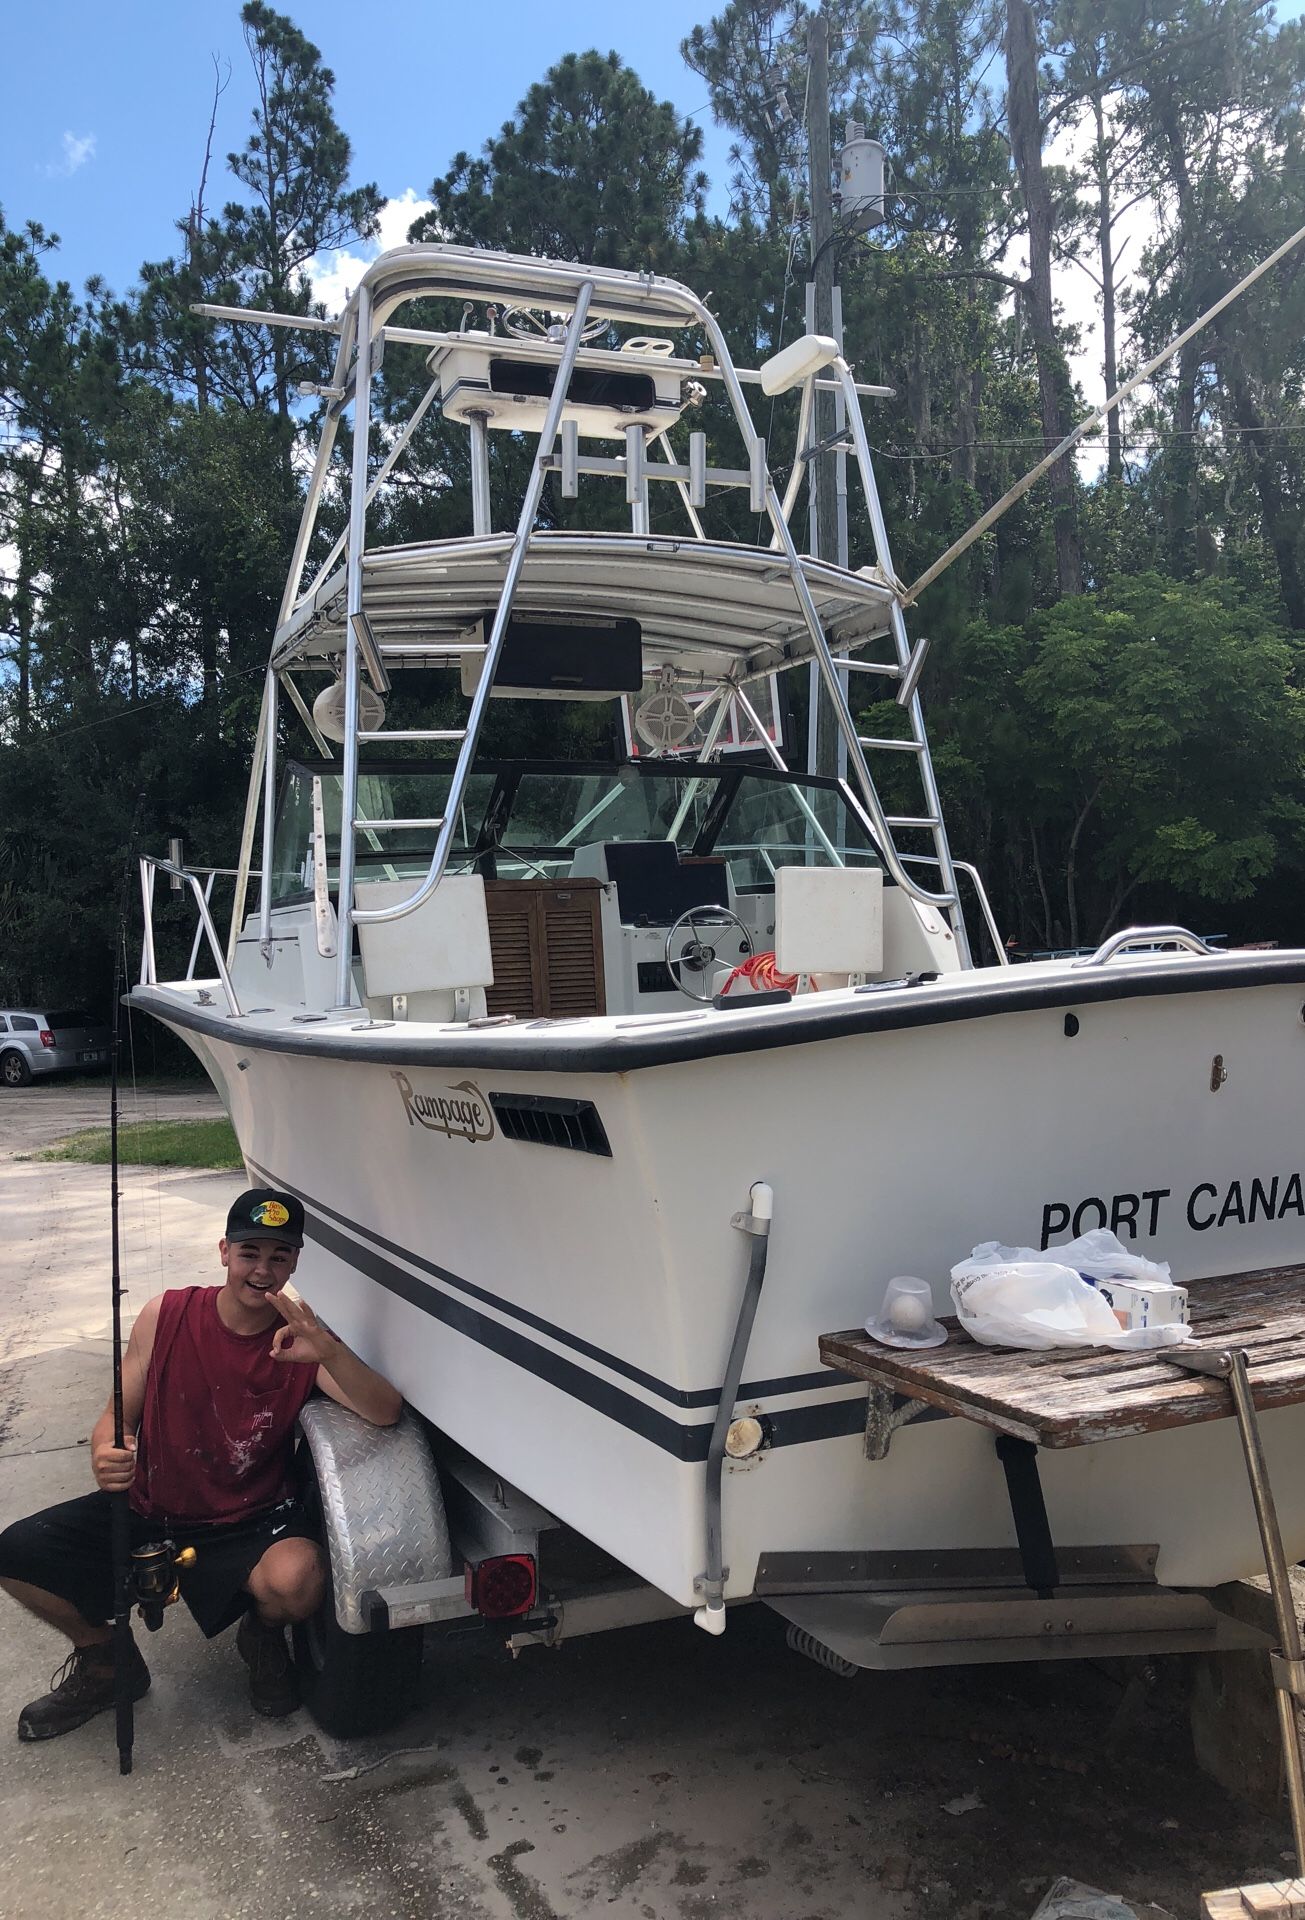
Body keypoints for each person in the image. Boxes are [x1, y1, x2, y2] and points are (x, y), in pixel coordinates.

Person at [0, 1187, 402, 1741]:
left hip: (250, 1520)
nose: (262, 1270)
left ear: (295, 1263)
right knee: (16, 1551)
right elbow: (119, 1412)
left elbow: (384, 1411)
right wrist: (105, 1449)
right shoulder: (165, 1314)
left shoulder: (303, 1339)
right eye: (249, 1253)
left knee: (299, 1580)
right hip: (150, 1508)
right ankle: (106, 1661)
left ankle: (261, 1635)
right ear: (223, 1252)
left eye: (279, 1257)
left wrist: (328, 1353)